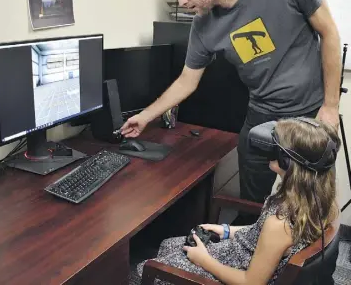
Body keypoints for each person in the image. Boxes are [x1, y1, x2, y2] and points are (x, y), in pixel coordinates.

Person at [120, 0, 342, 219]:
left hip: (309, 113)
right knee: (250, 208)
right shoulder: (203, 25)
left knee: (315, 210)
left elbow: (329, 32)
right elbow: (187, 81)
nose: (181, 1)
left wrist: (330, 106)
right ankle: (250, 255)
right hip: (260, 115)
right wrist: (144, 116)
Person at [136, 118, 341, 285]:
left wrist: (204, 261)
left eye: (275, 146)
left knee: (147, 269)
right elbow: (263, 234)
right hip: (246, 253)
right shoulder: (318, 202)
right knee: (168, 245)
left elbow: (250, 282)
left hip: (241, 270)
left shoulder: (280, 223)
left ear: (288, 162)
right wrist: (226, 230)